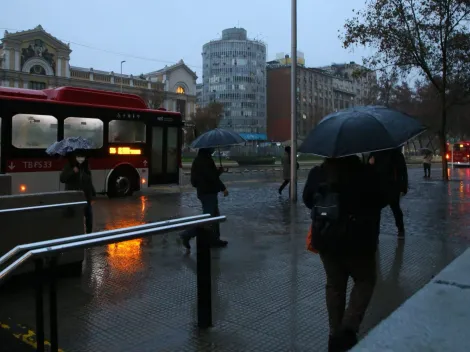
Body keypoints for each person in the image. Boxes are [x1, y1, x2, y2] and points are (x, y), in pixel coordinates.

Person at [303, 156, 386, 352]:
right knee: (365, 280)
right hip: (358, 241)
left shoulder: (318, 172)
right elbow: (382, 198)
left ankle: (334, 333)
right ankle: (348, 327)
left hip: (327, 239)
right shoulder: (365, 173)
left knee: (334, 285)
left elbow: (308, 199)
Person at [180, 148, 229, 251]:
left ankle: (214, 240)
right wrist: (222, 186)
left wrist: (217, 172)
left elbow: (197, 180)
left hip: (205, 192)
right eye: (211, 148)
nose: (213, 150)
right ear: (207, 150)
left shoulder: (199, 160)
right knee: (208, 219)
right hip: (208, 193)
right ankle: (187, 234)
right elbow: (212, 178)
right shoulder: (205, 160)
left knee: (215, 217)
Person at [369, 148, 408, 239]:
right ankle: (376, 233)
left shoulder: (395, 153)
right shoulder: (375, 152)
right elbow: (369, 171)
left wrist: (403, 187)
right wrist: (370, 164)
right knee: (377, 210)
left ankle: (400, 229)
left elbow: (403, 171)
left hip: (392, 187)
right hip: (379, 187)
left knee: (395, 208)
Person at [60, 152, 95, 233]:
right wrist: (73, 172)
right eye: (79, 156)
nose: (81, 159)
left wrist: (93, 193)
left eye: (82, 156)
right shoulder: (69, 166)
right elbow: (62, 179)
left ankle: (89, 235)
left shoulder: (86, 167)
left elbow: (89, 181)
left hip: (86, 197)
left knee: (89, 216)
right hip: (74, 198)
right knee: (75, 218)